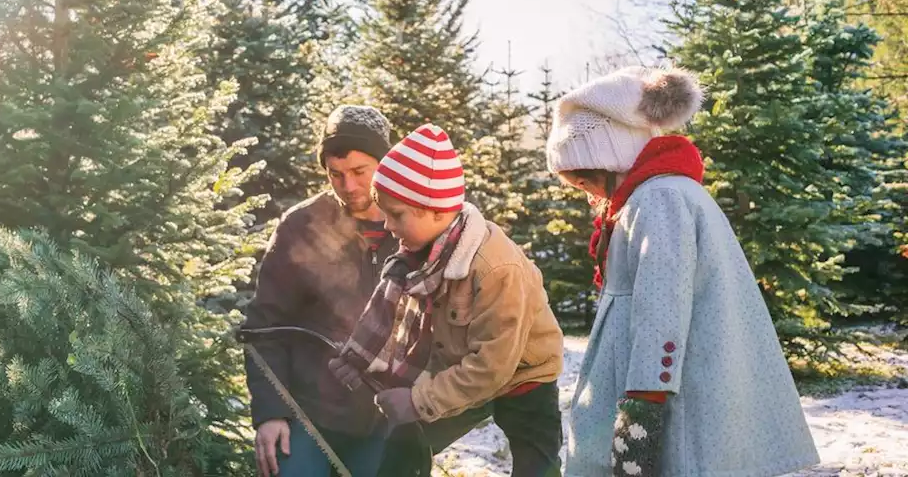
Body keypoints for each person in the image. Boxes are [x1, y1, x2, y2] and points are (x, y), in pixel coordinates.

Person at [545, 66, 820, 476]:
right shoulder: (654, 195)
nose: (585, 193)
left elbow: (661, 306)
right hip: (657, 382)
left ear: (608, 157)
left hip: (665, 393)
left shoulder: (657, 200)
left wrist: (642, 408)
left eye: (584, 180)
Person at [330, 123, 565, 477]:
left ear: (437, 210)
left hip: (523, 375)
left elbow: (492, 367)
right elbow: (398, 324)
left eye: (397, 215)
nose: (389, 227)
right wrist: (361, 361)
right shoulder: (423, 254)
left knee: (538, 465)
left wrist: (417, 399)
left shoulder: (497, 269)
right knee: (405, 441)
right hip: (457, 364)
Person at [240, 105, 402, 477]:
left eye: (360, 172)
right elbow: (264, 326)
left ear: (385, 164)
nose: (349, 186)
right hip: (306, 417)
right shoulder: (302, 226)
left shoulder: (416, 225)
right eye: (336, 174)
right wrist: (270, 413)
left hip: (386, 422)